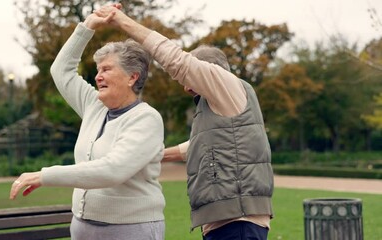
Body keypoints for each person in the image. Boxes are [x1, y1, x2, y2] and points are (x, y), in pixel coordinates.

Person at [96, 4, 274, 240]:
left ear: (210, 72)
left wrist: (121, 21)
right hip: (227, 222)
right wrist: (149, 154)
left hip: (237, 223)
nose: (184, 84)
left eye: (193, 74)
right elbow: (198, 146)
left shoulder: (228, 86)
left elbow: (176, 60)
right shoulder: (218, 104)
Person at [9, 10, 166, 240]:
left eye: (107, 69)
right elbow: (61, 70)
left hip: (131, 229)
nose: (98, 76)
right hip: (82, 227)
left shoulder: (146, 119)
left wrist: (44, 176)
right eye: (98, 70)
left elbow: (112, 170)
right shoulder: (94, 106)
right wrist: (88, 26)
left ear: (132, 77)